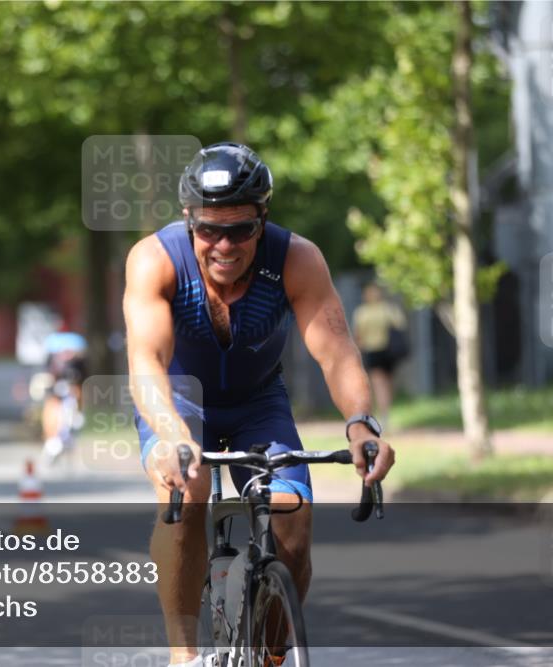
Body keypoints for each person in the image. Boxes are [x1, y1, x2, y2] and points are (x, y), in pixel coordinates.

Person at [123, 142, 395, 666]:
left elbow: (337, 353)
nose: (224, 244)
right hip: (179, 401)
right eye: (209, 229)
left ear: (263, 219)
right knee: (189, 488)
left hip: (258, 402)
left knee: (293, 521)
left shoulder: (296, 258)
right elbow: (147, 361)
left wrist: (361, 425)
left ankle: (270, 656)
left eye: (241, 230)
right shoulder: (155, 259)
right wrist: (174, 435)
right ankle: (185, 658)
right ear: (188, 220)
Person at [352, 283, 407, 428]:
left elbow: (358, 335)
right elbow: (400, 326)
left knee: (379, 383)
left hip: (374, 351)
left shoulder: (362, 312)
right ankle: (384, 413)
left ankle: (382, 414)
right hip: (388, 351)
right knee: (387, 383)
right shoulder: (389, 309)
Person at [39, 329, 87, 466]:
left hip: (71, 393)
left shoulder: (77, 364)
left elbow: (80, 385)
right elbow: (48, 378)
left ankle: (65, 437)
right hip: (57, 392)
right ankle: (53, 442)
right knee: (52, 409)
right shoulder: (53, 361)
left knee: (69, 412)